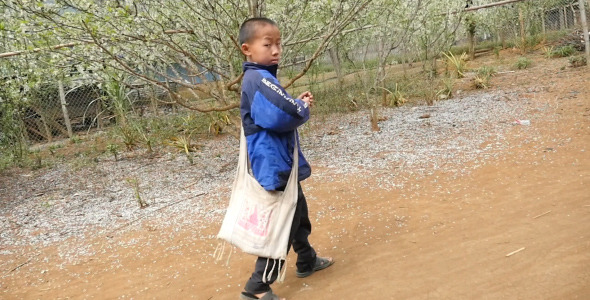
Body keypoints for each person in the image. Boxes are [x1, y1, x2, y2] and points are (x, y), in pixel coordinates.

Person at [237, 17, 334, 300]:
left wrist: (295, 101)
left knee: (298, 213)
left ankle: (306, 259)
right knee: (282, 224)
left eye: (278, 43)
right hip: (273, 164)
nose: (276, 50)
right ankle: (256, 288)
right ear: (247, 48)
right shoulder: (258, 78)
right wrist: (301, 106)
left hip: (280, 163)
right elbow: (284, 114)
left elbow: (279, 105)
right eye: (268, 44)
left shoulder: (264, 78)